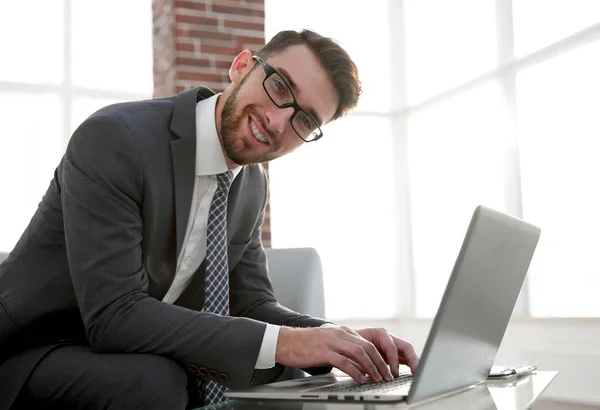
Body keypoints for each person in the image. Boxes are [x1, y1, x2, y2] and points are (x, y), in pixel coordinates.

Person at [0, 29, 418, 410]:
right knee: (156, 382)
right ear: (241, 67)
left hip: (120, 352)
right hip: (32, 350)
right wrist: (288, 342)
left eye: (304, 120)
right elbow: (115, 315)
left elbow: (252, 303)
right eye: (279, 87)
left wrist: (336, 339)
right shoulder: (116, 138)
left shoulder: (251, 185)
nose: (277, 121)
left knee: (290, 377)